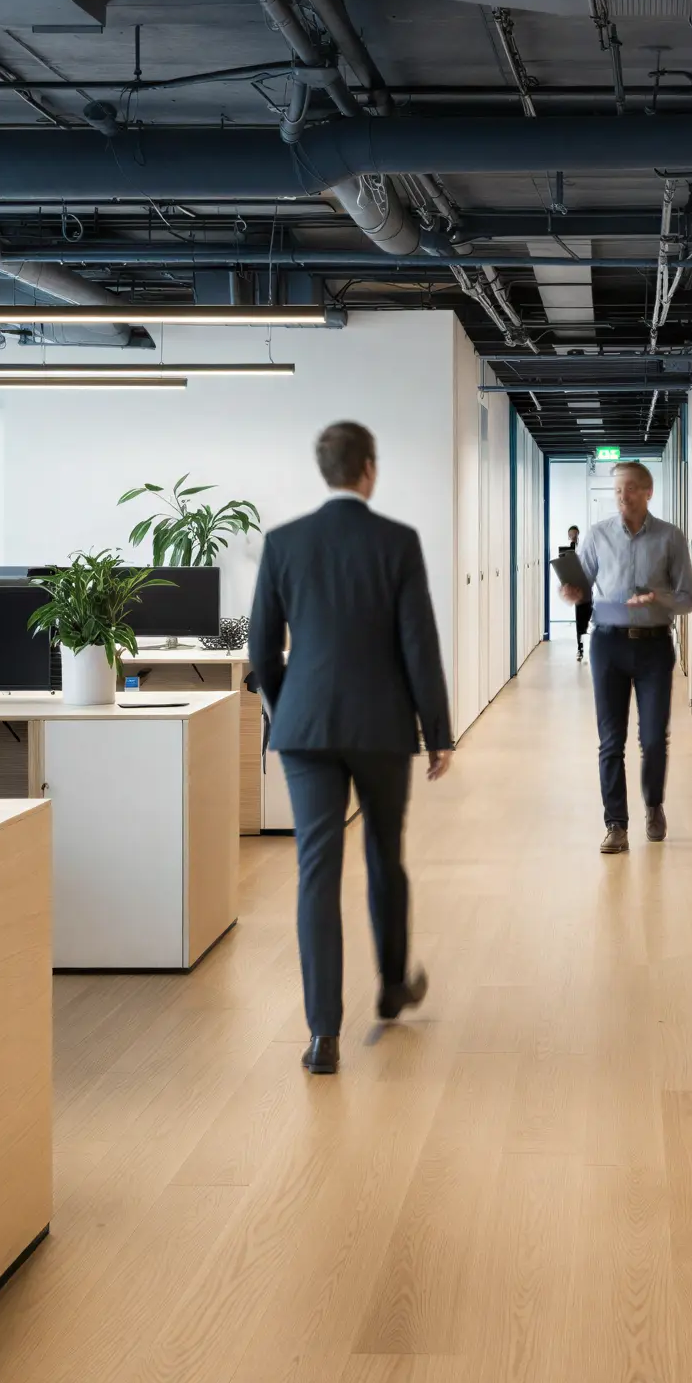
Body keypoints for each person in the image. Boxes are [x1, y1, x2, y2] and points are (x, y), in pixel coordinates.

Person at [250, 421, 454, 1075]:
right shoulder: (396, 542)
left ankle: (323, 1035)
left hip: (306, 728)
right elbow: (417, 644)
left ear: (326, 470)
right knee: (383, 855)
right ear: (368, 469)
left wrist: (291, 713)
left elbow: (261, 649)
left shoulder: (283, 543)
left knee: (316, 870)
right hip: (382, 727)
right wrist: (438, 731)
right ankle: (392, 985)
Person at [559, 460, 692, 853]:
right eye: (618, 489)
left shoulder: (670, 538)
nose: (624, 495)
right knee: (610, 740)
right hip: (608, 644)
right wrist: (574, 593)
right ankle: (616, 824)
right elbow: (581, 586)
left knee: (653, 738)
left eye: (633, 487)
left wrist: (658, 597)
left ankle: (654, 804)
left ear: (648, 492)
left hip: (654, 646)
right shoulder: (598, 535)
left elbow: (688, 600)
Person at [560, 524, 592, 660]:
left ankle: (588, 642)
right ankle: (580, 649)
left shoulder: (583, 550)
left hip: (587, 587)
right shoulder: (566, 552)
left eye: (575, 534)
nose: (573, 536)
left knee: (587, 618)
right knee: (579, 621)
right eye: (571, 534)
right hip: (576, 590)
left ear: (578, 534)